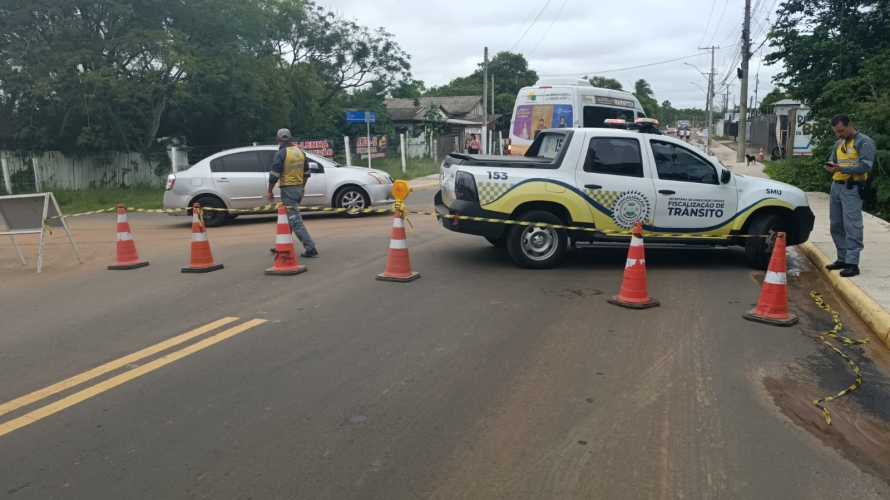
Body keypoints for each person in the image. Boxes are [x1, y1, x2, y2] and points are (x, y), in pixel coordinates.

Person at [824, 114, 874, 277]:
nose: (839, 134)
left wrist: (841, 169)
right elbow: (834, 160)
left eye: (841, 130)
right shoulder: (839, 143)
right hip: (836, 186)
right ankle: (843, 258)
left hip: (852, 187)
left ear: (849, 125)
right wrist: (831, 167)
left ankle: (853, 263)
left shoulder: (863, 142)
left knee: (852, 225)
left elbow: (866, 166)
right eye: (836, 132)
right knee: (836, 224)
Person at [267, 128, 318, 258]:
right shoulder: (299, 152)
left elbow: (274, 174)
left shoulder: (281, 154)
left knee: (295, 221)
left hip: (288, 190)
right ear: (291, 139)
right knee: (289, 218)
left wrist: (270, 191)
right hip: (298, 189)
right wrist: (302, 187)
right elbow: (307, 173)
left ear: (278, 140)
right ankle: (282, 243)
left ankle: (310, 248)